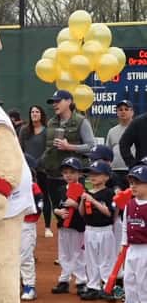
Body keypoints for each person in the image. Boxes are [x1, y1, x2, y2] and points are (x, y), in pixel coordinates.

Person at [41, 90, 95, 239]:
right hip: (53, 174)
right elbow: (48, 147)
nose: (55, 104)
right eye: (53, 102)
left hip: (74, 176)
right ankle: (66, 247)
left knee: (77, 212)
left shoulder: (81, 121)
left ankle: (81, 247)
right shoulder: (51, 122)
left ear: (69, 101)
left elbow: (91, 146)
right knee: (59, 211)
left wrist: (69, 147)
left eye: (58, 101)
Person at [78, 160, 117, 301]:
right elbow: (82, 213)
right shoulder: (87, 192)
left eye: (97, 174)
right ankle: (93, 286)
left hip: (104, 230)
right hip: (89, 230)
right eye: (91, 174)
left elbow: (109, 213)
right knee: (91, 258)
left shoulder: (109, 193)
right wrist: (82, 200)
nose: (93, 177)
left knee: (106, 259)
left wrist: (93, 201)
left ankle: (108, 286)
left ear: (106, 177)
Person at [115, 165, 147, 303]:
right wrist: (123, 243)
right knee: (129, 278)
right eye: (131, 182)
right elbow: (124, 226)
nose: (133, 186)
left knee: (144, 279)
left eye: (138, 183)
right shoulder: (129, 204)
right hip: (132, 247)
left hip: (145, 248)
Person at [51, 157, 88, 296]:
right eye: (65, 172)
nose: (68, 175)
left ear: (79, 174)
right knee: (64, 254)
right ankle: (64, 280)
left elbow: (85, 213)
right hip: (63, 227)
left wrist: (76, 205)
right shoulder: (60, 190)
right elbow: (56, 206)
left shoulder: (83, 191)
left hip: (77, 228)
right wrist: (58, 212)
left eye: (72, 172)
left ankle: (81, 281)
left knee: (78, 254)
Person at [19, 105, 52, 237]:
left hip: (42, 169)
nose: (34, 114)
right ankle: (23, 224)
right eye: (32, 112)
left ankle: (48, 227)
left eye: (37, 111)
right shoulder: (24, 130)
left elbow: (48, 149)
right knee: (25, 196)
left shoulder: (47, 131)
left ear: (41, 114)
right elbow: (20, 148)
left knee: (44, 197)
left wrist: (39, 163)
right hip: (27, 170)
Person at [21, 155, 44, 301]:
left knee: (25, 256)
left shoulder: (33, 187)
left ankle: (29, 286)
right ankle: (16, 284)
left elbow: (37, 209)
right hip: (11, 224)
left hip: (26, 225)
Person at [107, 100, 135, 189]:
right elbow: (108, 151)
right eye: (120, 109)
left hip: (133, 170)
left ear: (132, 112)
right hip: (115, 171)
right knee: (116, 199)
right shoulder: (112, 131)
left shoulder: (139, 128)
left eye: (126, 109)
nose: (123, 111)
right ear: (117, 112)